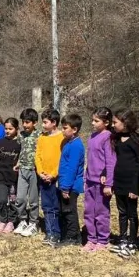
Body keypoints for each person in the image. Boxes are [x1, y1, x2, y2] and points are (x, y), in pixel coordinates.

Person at [110, 109, 139, 258]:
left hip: (131, 183)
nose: (113, 125)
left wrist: (134, 187)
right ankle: (122, 239)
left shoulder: (136, 140)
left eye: (115, 122)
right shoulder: (116, 139)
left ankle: (132, 241)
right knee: (122, 212)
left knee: (131, 213)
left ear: (125, 123)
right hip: (119, 181)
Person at [83, 107, 116, 252]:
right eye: (92, 120)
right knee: (89, 211)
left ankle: (102, 240)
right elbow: (90, 159)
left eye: (96, 121)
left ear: (106, 122)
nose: (93, 123)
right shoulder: (92, 136)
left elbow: (110, 161)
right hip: (90, 180)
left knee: (101, 212)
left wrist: (109, 183)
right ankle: (91, 239)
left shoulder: (108, 137)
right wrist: (86, 177)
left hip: (101, 183)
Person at [56, 114, 86, 247]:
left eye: (65, 128)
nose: (62, 130)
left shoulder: (76, 146)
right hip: (64, 183)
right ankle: (74, 236)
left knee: (69, 211)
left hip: (71, 186)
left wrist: (66, 187)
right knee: (65, 210)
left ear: (74, 129)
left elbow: (72, 168)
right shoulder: (69, 142)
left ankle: (72, 236)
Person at [36, 108, 65, 245]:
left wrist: (53, 174)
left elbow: (61, 159)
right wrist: (41, 172)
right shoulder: (42, 137)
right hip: (43, 178)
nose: (43, 125)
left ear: (54, 123)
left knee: (55, 206)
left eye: (45, 122)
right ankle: (49, 232)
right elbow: (38, 156)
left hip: (55, 179)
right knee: (46, 206)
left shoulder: (62, 138)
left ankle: (57, 233)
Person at [13, 108, 41, 237]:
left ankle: (34, 223)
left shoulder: (40, 136)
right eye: (23, 122)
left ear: (35, 123)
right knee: (20, 198)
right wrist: (18, 162)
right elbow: (21, 151)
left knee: (33, 199)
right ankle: (23, 220)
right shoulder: (21, 136)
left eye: (28, 122)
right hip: (22, 170)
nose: (25, 125)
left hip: (34, 171)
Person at [0, 118, 21, 233]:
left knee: (13, 200)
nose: (7, 131)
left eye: (10, 128)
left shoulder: (19, 143)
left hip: (14, 178)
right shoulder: (0, 143)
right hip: (1, 177)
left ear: (17, 129)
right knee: (2, 200)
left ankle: (11, 221)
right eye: (6, 128)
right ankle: (3, 220)